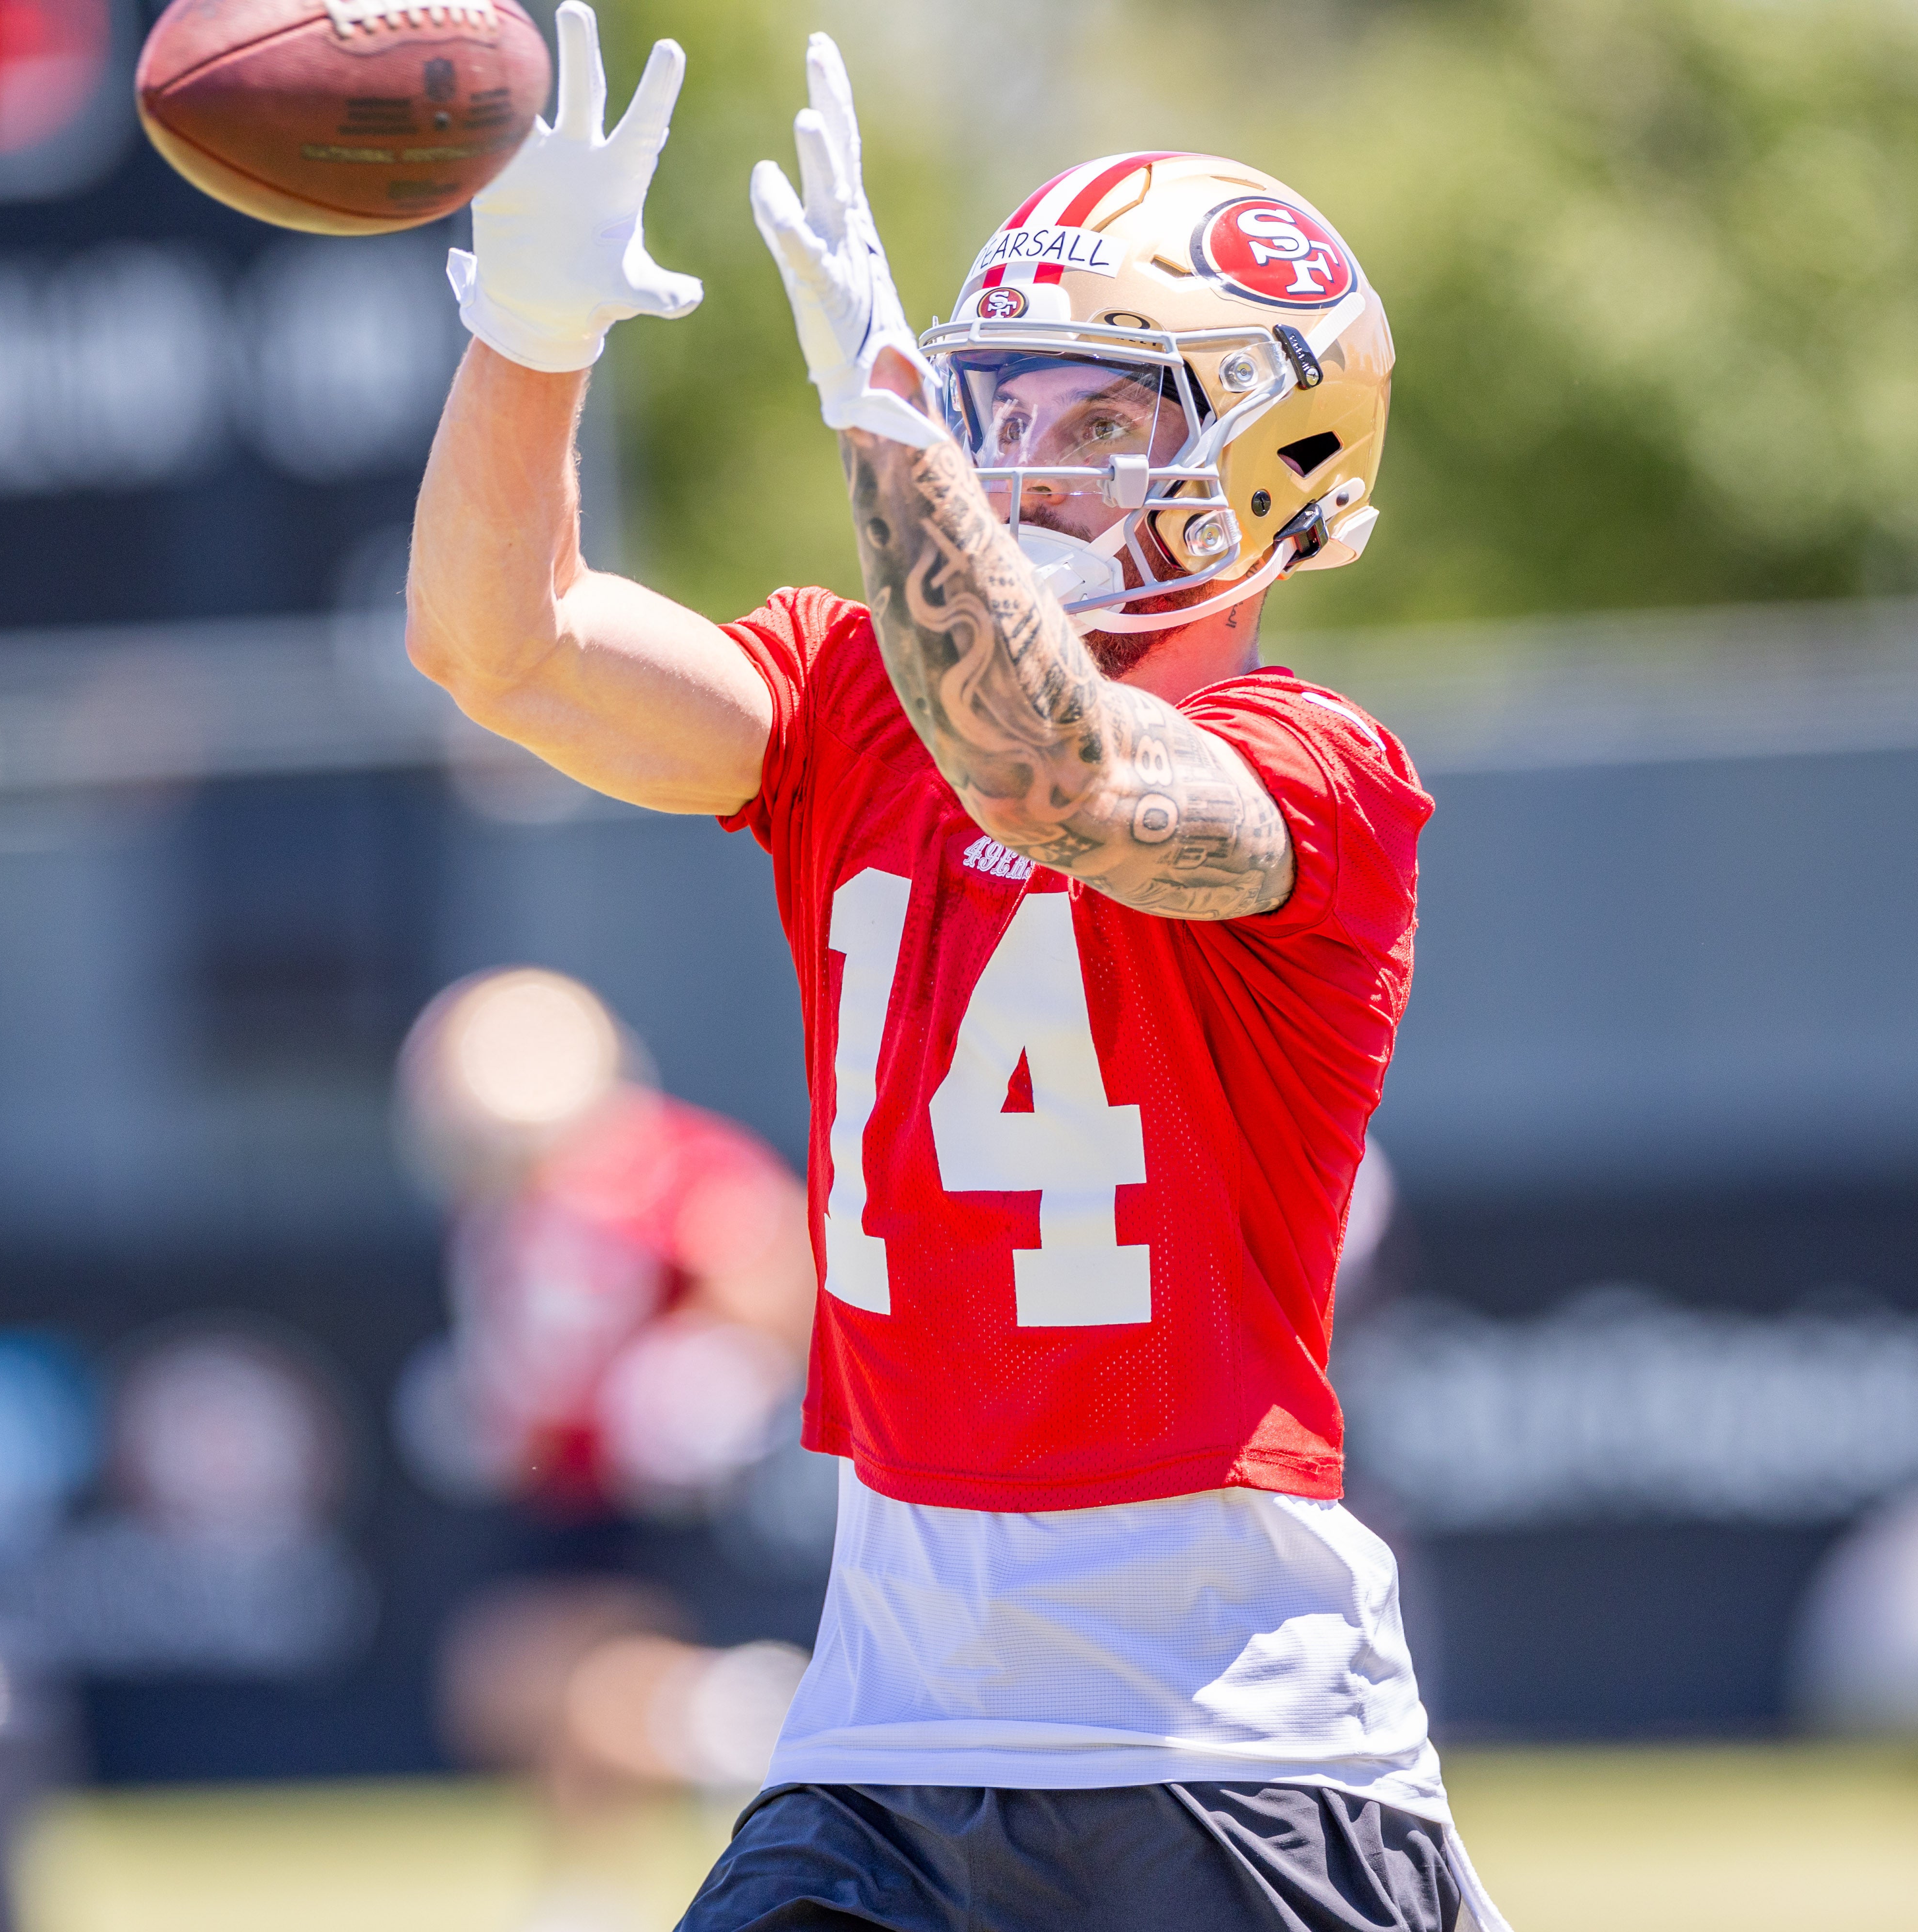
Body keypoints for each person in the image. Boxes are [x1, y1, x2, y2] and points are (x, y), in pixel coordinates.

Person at [407, 8, 1509, 1928]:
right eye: (997, 404)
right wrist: (530, 333)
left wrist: (893, 434)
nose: (1022, 460)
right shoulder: (849, 699)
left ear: (1278, 457)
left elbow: (1063, 777)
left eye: (1100, 418)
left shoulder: (1318, 770)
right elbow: (507, 649)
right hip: (883, 1737)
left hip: (1233, 1752)